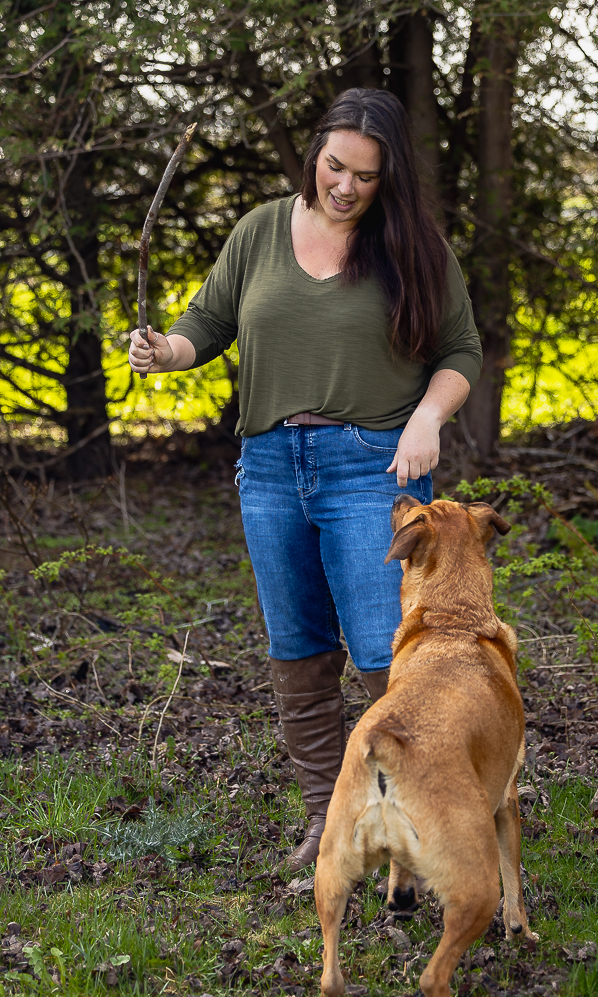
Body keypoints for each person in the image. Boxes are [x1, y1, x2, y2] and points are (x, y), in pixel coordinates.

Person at [128, 88, 482, 872]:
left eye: (366, 175)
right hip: (270, 471)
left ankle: (414, 822)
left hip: (374, 469)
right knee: (299, 653)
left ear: (388, 178)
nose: (346, 186)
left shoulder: (412, 247)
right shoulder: (259, 230)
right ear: (314, 153)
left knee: (393, 655)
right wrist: (167, 352)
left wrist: (426, 420)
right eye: (334, 166)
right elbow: (206, 325)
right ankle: (334, 821)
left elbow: (460, 353)